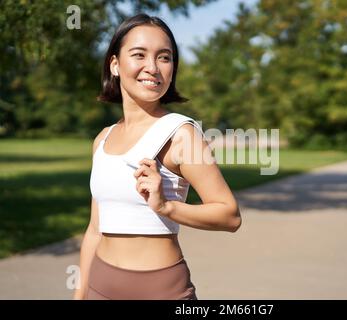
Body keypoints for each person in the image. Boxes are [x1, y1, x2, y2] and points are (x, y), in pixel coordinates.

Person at [73, 13, 242, 300]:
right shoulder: (102, 139)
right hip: (100, 286)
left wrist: (166, 206)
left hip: (160, 290)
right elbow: (94, 230)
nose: (152, 67)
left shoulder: (181, 134)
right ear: (114, 64)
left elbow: (229, 215)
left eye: (164, 57)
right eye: (139, 54)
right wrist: (80, 293)